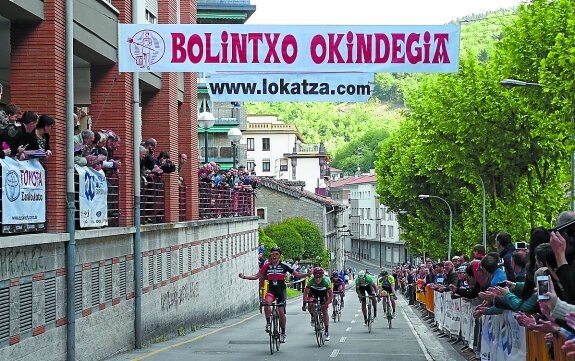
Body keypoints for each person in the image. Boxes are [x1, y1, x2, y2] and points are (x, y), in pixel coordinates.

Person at [239, 246, 308, 343]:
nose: (274, 256)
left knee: (281, 312)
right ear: (270, 255)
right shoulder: (267, 266)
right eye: (273, 254)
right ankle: (268, 322)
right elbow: (256, 276)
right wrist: (245, 276)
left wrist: (307, 274)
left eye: (277, 254)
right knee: (267, 302)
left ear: (280, 256)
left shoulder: (284, 266)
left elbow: (297, 274)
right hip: (272, 290)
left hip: (281, 291)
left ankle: (283, 332)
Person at [302, 267, 334, 341]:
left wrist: (327, 303)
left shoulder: (326, 281)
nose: (317, 279)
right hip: (313, 291)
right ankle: (313, 316)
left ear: (322, 276)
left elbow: (331, 294)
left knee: (324, 311)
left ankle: (326, 331)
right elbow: (306, 293)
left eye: (319, 277)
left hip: (323, 292)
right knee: (310, 304)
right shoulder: (311, 280)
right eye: (316, 277)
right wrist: (304, 304)